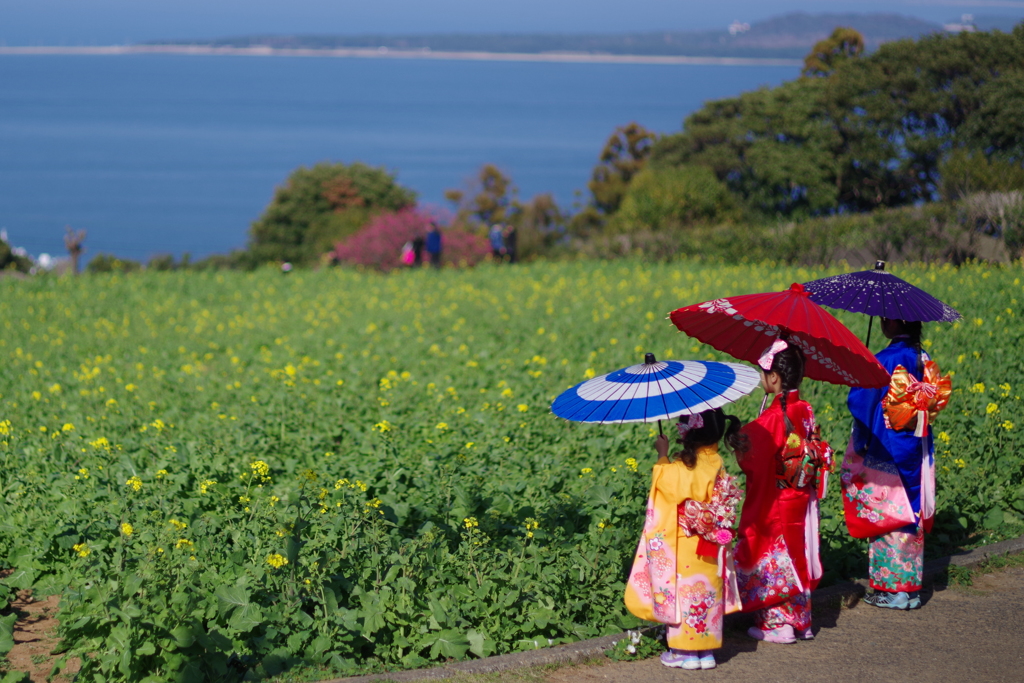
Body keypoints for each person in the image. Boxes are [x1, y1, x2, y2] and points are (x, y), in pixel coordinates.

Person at [625, 408, 745, 671]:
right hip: (711, 543)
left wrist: (662, 454)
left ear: (686, 432)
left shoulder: (679, 467)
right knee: (707, 591)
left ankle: (684, 653)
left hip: (684, 543)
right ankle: (707, 652)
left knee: (683, 594)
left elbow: (664, 484)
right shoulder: (716, 462)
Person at [734, 340, 830, 644]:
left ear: (774, 377)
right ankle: (801, 620)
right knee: (797, 553)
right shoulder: (805, 408)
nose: (761, 379)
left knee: (774, 554)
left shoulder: (776, 416)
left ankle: (777, 624)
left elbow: (753, 454)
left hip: (777, 499)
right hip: (800, 496)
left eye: (762, 374)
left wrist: (738, 436)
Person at [845, 318, 941, 610]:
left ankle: (891, 590)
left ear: (895, 322)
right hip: (914, 442)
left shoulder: (886, 358)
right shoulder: (921, 357)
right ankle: (909, 589)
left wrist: (860, 438)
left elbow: (862, 403)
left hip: (886, 444)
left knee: (887, 512)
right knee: (910, 509)